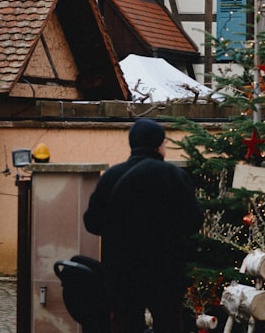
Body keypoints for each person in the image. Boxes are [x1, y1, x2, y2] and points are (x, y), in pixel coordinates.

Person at [83, 118, 203, 333]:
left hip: (122, 270)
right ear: (159, 145)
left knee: (126, 323)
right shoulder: (175, 176)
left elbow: (92, 223)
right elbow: (194, 221)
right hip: (166, 268)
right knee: (168, 322)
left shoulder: (112, 176)